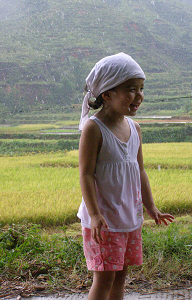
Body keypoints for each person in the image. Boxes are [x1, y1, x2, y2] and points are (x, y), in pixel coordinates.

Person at [77, 53, 174, 300]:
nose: (139, 96)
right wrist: (95, 214)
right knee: (105, 277)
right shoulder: (94, 128)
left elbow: (139, 169)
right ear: (107, 94)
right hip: (104, 221)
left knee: (121, 274)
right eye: (131, 89)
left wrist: (150, 206)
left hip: (129, 218)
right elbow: (86, 174)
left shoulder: (135, 128)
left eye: (141, 89)